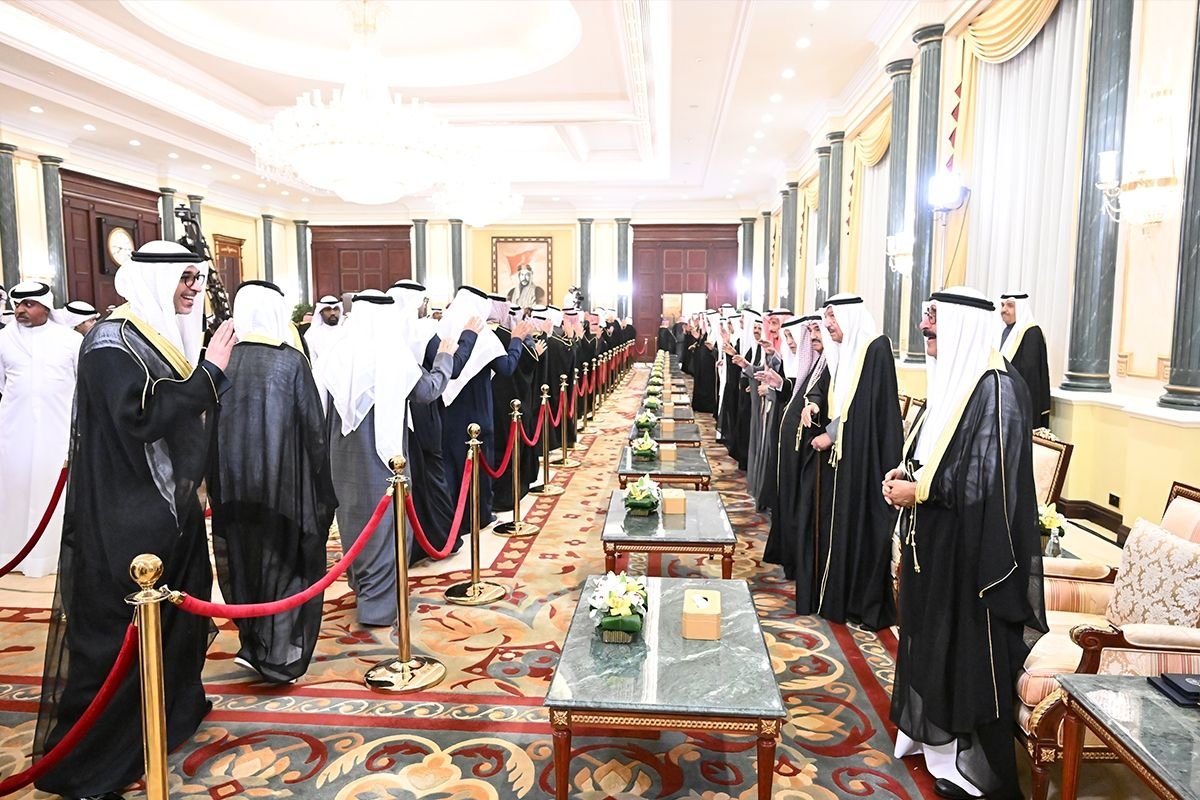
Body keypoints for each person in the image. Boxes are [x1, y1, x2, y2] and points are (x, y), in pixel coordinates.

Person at [35, 241, 237, 800]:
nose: (194, 288)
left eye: (197, 278)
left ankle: (169, 713)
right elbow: (141, 418)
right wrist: (210, 373)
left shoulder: (152, 333)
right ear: (156, 280)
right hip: (127, 513)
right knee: (119, 633)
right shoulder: (110, 342)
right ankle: (99, 755)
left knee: (179, 615)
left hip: (170, 508)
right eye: (185, 278)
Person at [884, 288, 1046, 800]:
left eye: (934, 322)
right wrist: (908, 471)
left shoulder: (998, 388)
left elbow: (984, 481)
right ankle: (931, 739)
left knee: (959, 647)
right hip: (935, 542)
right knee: (931, 639)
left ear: (962, 326)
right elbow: (940, 452)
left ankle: (968, 765)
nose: (925, 330)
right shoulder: (960, 380)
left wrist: (919, 492)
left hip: (970, 554)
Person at [318, 290, 475, 626]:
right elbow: (428, 391)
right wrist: (444, 358)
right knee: (386, 528)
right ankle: (379, 606)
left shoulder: (337, 351)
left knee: (354, 524)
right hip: (382, 460)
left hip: (342, 460)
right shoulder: (392, 354)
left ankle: (363, 589)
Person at [210, 280, 337, 684]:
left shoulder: (220, 360)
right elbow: (314, 430)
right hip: (283, 486)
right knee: (284, 565)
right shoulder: (289, 362)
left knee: (245, 561)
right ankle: (277, 656)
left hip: (232, 486)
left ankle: (252, 644)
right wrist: (322, 488)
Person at [809, 294, 901, 630]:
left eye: (833, 317)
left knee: (861, 529)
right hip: (847, 456)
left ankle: (862, 604)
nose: (828, 325)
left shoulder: (875, 348)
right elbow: (841, 402)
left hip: (868, 458)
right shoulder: (846, 353)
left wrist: (834, 435)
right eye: (827, 318)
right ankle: (840, 598)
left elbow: (871, 410)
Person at [0, 281, 81, 578]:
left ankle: (50, 556)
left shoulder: (70, 340)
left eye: (29, 304)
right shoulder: (3, 339)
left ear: (45, 307)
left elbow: (82, 385)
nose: (21, 310)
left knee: (53, 491)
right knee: (15, 489)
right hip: (14, 430)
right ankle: (12, 555)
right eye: (18, 304)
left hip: (58, 431)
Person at [439, 287, 531, 534]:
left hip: (447, 411)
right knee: (478, 465)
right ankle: (478, 516)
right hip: (477, 411)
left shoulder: (442, 329)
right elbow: (507, 367)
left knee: (452, 465)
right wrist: (516, 340)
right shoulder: (481, 334)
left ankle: (454, 519)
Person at [998, 291, 1051, 427]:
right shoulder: (1006, 332)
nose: (1004, 310)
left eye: (1010, 306)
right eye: (1003, 305)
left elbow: (1029, 374)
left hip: (1021, 403)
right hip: (1007, 400)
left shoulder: (1031, 333)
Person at [303, 294, 342, 365]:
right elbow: (310, 361)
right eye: (328, 309)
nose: (333, 313)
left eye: (335, 309)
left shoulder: (347, 331)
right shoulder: (311, 334)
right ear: (321, 312)